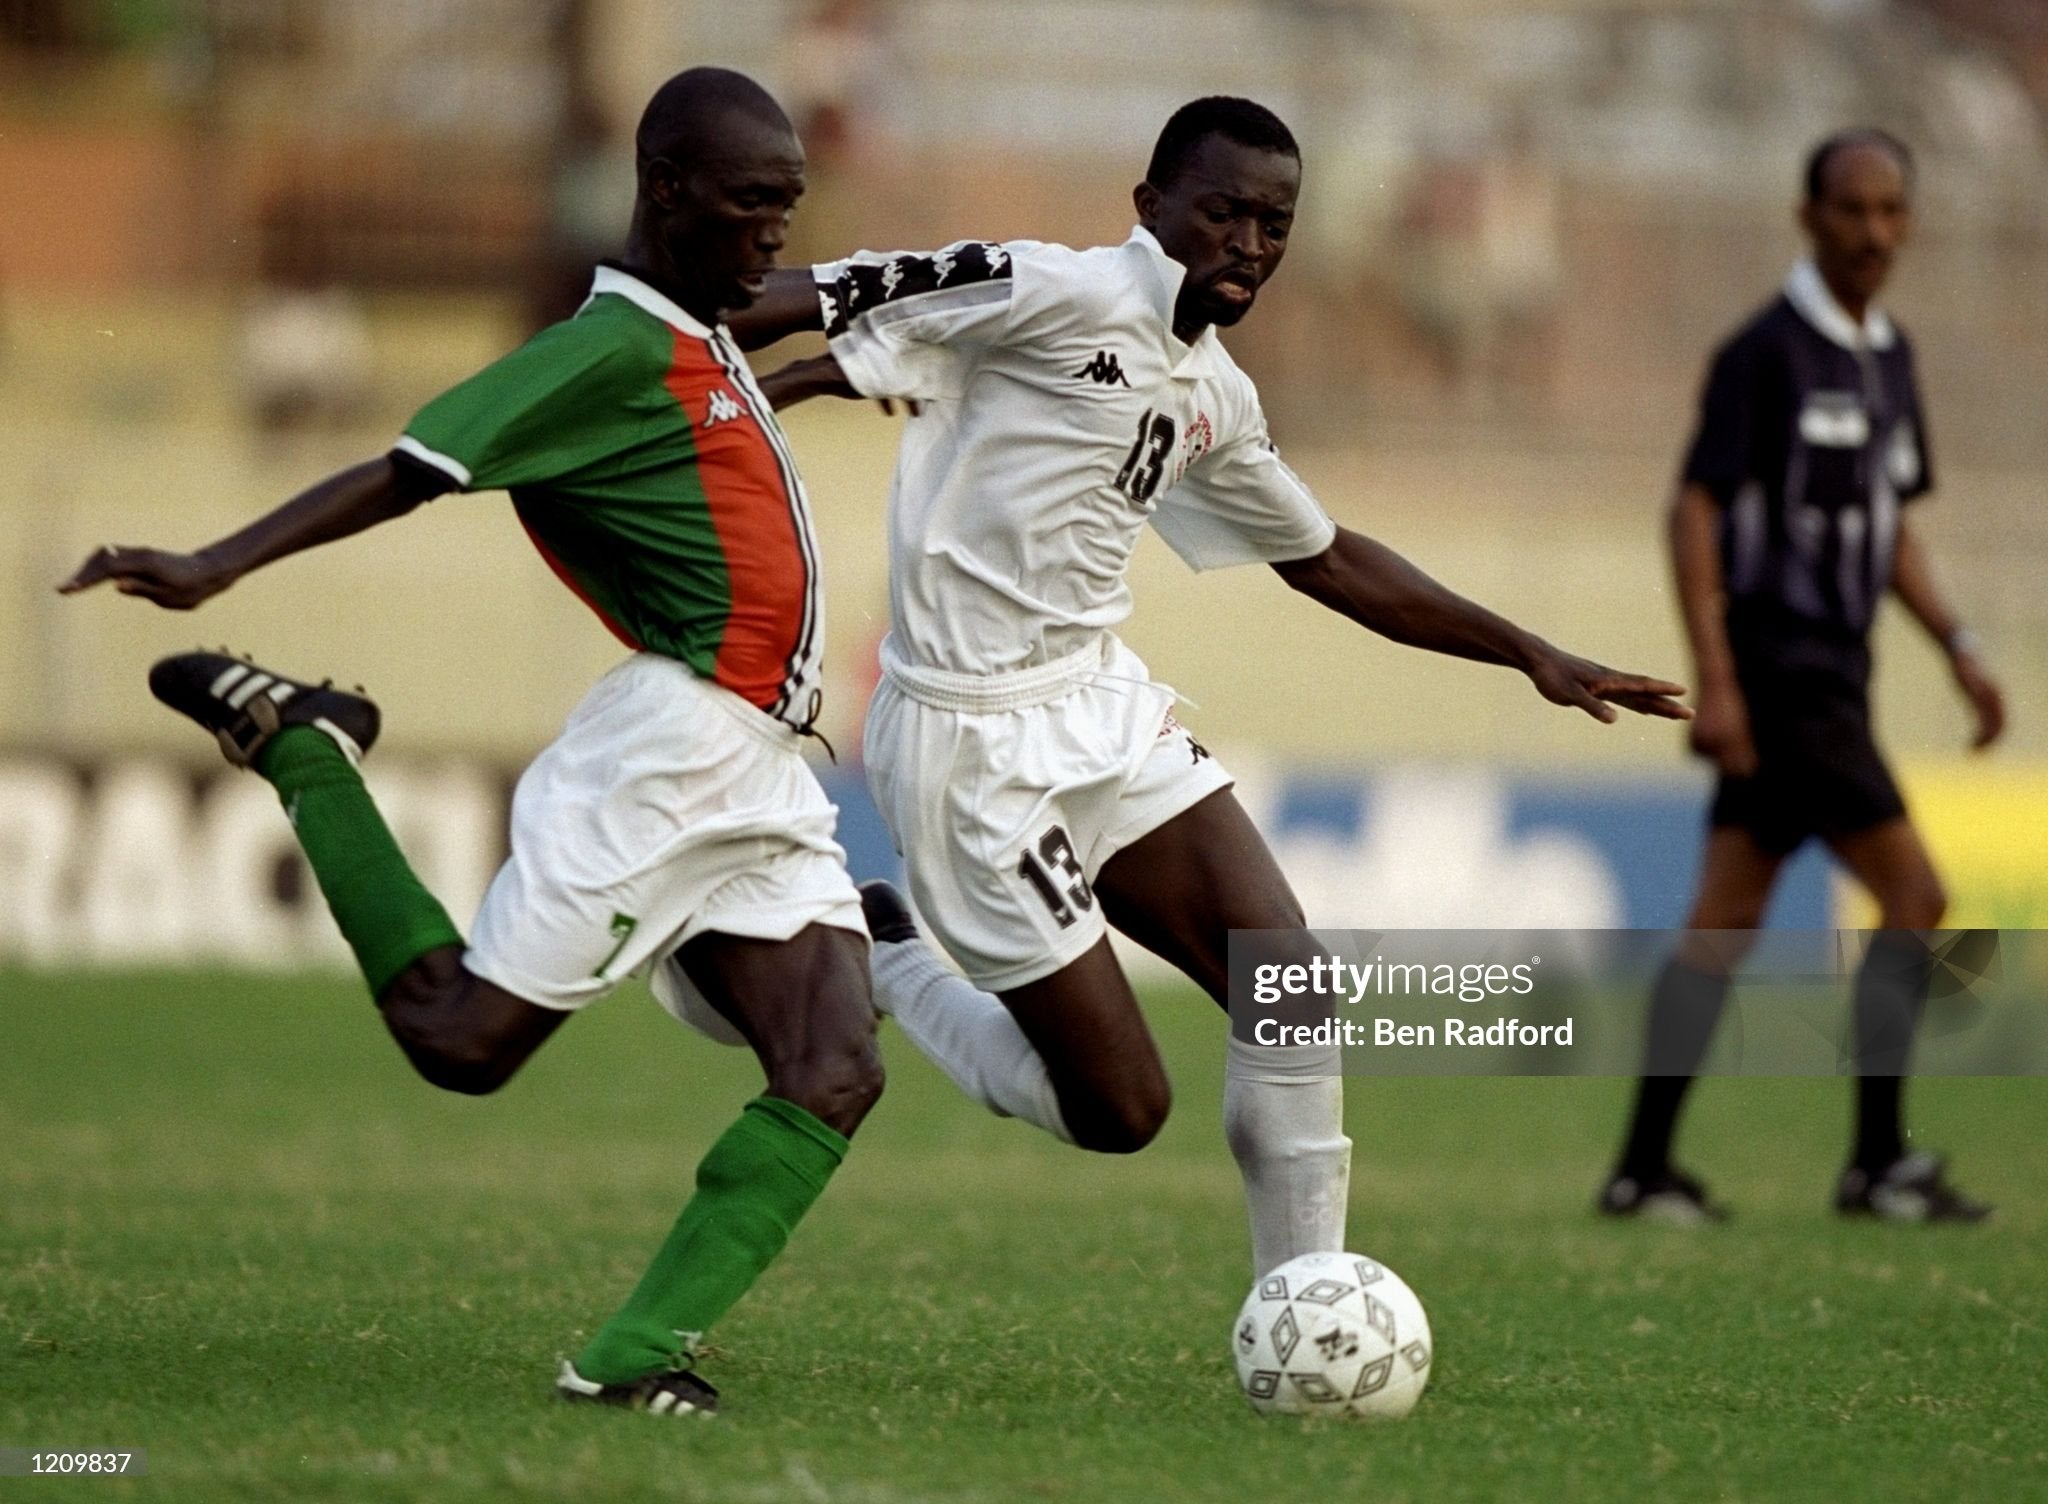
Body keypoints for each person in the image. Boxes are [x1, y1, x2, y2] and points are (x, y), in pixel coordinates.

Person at [730, 96, 1689, 1279]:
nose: (1247, 243)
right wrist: (703, 342)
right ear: (1150, 207)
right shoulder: (1053, 289)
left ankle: (1302, 1299)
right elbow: (820, 295)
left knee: (1288, 984)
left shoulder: (1214, 395)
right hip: (966, 744)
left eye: (1273, 223)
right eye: (1222, 211)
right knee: (1121, 1110)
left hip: (1096, 703)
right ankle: (896, 963)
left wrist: (1529, 650)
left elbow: (1327, 559)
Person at [57, 68, 882, 1415]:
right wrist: (217, 561)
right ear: (667, 190)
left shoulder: (699, 325)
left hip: (766, 768)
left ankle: (627, 1363)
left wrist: (870, 341)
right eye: (754, 203)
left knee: (837, 1062)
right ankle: (305, 750)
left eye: (789, 205)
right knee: (464, 1042)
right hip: (674, 751)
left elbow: (790, 331)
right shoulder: (602, 351)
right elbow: (411, 467)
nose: (776, 232)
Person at [1601, 129, 2005, 1225]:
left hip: (1841, 672)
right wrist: (1714, 678)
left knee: (1721, 919)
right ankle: (1877, 1165)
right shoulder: (1762, 354)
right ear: (1806, 216)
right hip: (1786, 676)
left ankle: (1640, 1169)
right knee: (1916, 895)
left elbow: (1892, 529)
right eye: (1850, 211)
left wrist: (1958, 647)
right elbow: (1691, 508)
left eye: (1889, 211)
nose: (1872, 232)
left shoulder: (1890, 357)